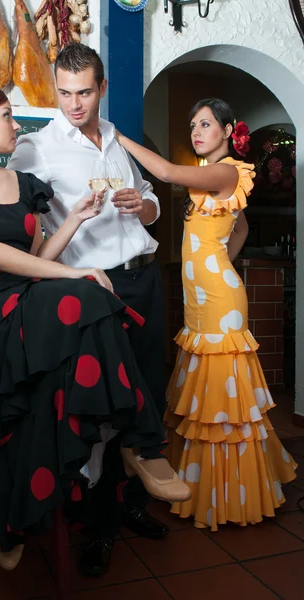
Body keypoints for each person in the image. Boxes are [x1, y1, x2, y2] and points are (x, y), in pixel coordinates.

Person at [0, 43, 169, 575]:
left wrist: (78, 218)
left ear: (100, 91)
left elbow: (30, 251)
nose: (18, 122)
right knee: (87, 297)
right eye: (7, 115)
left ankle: (136, 456)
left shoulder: (48, 171)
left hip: (53, 293)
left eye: (83, 92)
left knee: (114, 345)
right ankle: (128, 461)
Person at [116, 98, 298, 531]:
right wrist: (223, 259)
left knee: (222, 400)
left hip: (219, 302)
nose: (197, 131)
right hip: (204, 298)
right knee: (206, 398)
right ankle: (199, 484)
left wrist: (117, 137)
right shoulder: (211, 180)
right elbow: (243, 226)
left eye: (206, 124)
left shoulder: (229, 170)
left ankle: (227, 495)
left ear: (227, 129)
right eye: (193, 124)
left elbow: (165, 173)